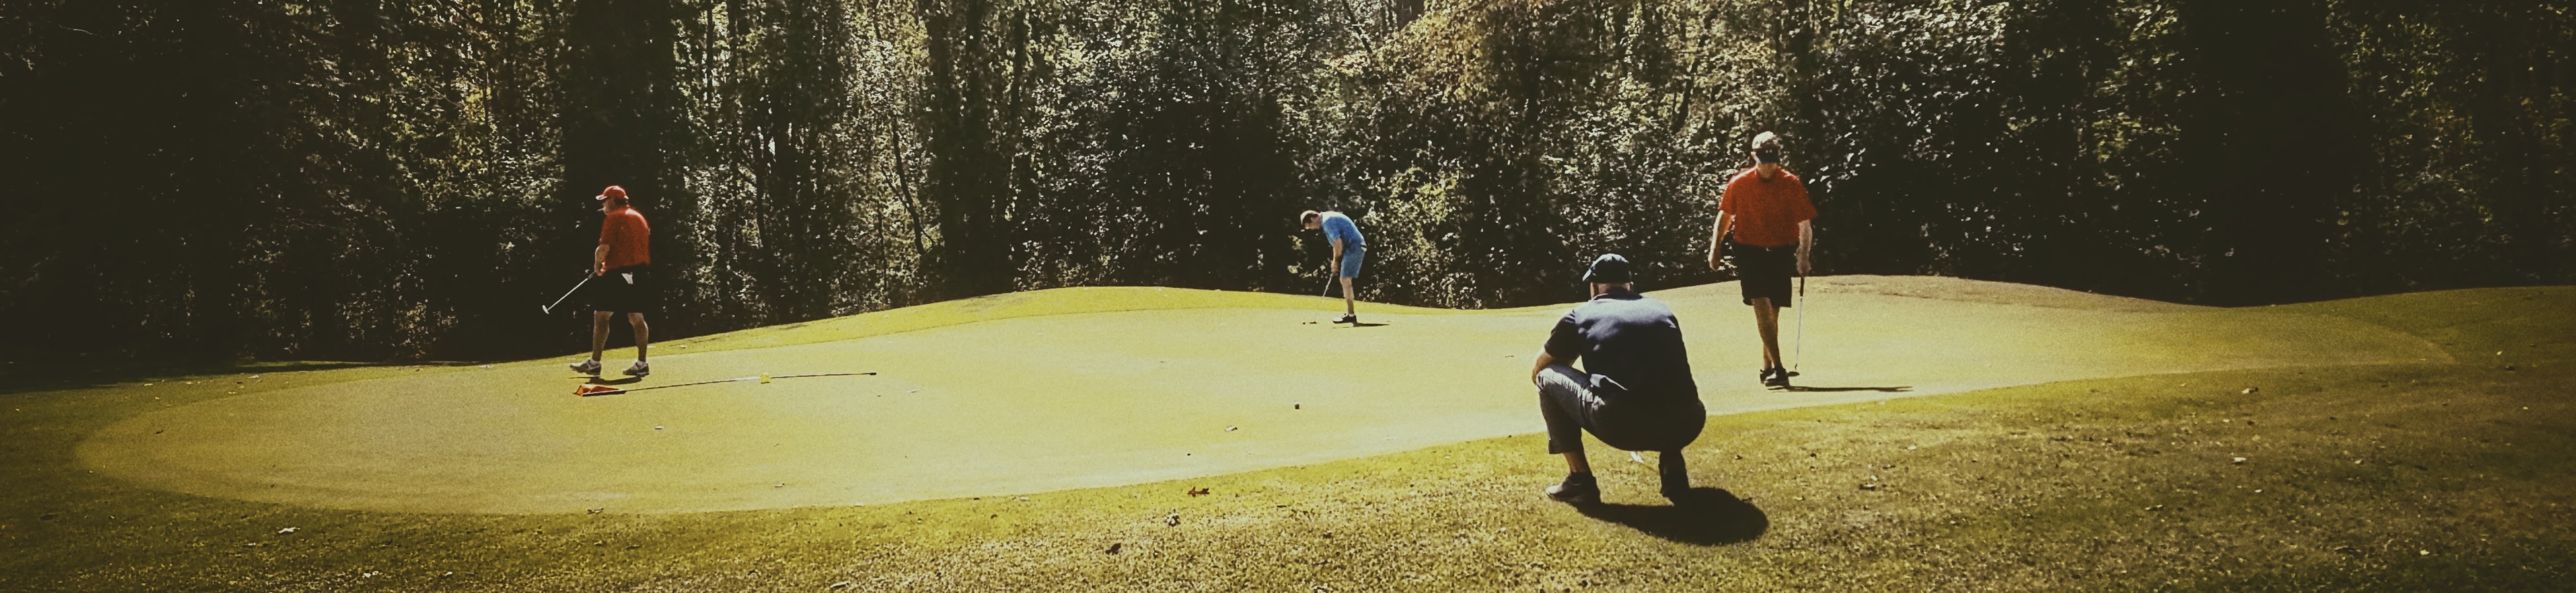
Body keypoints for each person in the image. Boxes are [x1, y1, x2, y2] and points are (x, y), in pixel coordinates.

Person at [1529, 254, 1707, 505]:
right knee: (1662, 376)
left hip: (1621, 424)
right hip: (1688, 421)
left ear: (1594, 287)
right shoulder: (1661, 309)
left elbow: (1540, 368)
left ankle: (1580, 481)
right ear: (1630, 285)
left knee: (1546, 377)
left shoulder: (1581, 314)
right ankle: (1673, 466)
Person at [1707, 132, 1815, 389]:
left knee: (1773, 313)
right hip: (1749, 252)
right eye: (1764, 161)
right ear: (1754, 157)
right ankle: (1779, 369)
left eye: (1772, 161)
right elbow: (1725, 216)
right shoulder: (1740, 183)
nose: (1768, 167)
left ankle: (1766, 368)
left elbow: (1805, 224)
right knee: (1762, 306)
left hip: (1780, 252)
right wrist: (1715, 249)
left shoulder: (1791, 183)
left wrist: (1803, 256)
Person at [571, 184, 653, 377]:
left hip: (619, 272)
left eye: (605, 200)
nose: (603, 205)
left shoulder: (614, 217)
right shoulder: (638, 216)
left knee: (601, 316)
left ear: (613, 201)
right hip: (639, 271)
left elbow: (603, 248)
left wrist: (597, 265)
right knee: (636, 317)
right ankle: (642, 363)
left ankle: (594, 363)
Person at [1300, 209, 1366, 324]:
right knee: (1345, 279)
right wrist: (1335, 261)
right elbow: (1336, 243)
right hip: (1351, 247)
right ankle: (1350, 314)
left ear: (1312, 219)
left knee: (1345, 279)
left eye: (1310, 226)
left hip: (1354, 247)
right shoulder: (1327, 218)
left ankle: (1351, 315)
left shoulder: (1327, 222)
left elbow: (1337, 243)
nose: (1313, 229)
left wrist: (1336, 262)